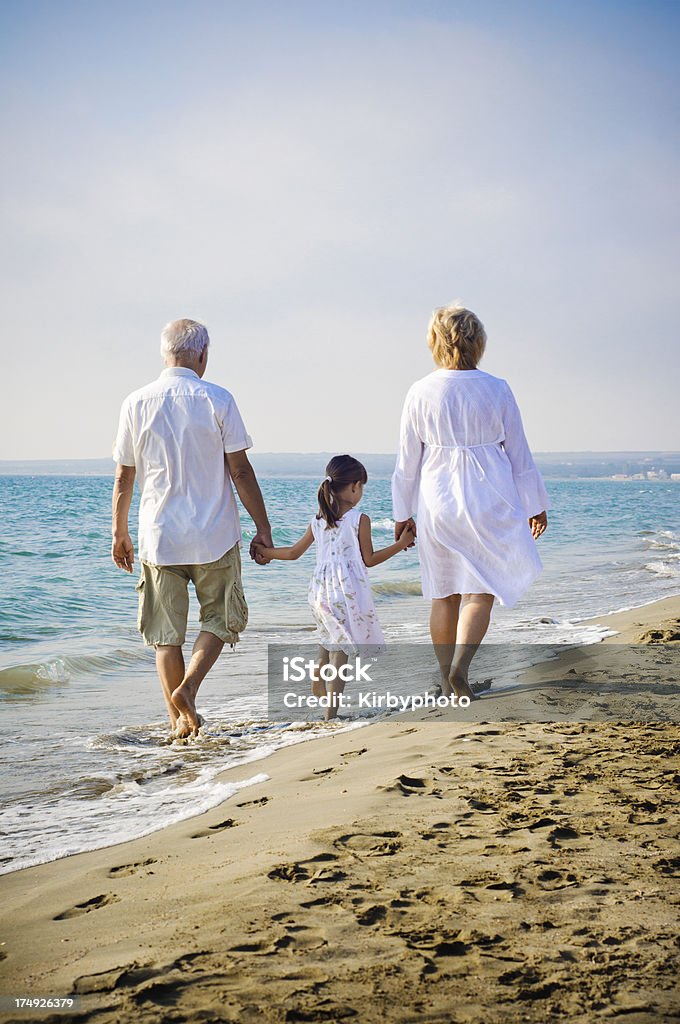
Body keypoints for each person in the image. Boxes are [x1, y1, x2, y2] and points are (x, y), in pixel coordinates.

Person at [111, 318, 273, 739]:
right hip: (214, 535)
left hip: (158, 536)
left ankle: (179, 724)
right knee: (221, 619)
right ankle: (189, 690)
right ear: (202, 354)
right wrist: (263, 527)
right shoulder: (217, 398)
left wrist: (119, 532)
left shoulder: (136, 401)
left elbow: (124, 476)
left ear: (165, 353)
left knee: (166, 636)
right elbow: (240, 470)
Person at [391, 303, 550, 702]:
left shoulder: (420, 390)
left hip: (437, 498)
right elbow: (519, 454)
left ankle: (447, 679)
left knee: (443, 592)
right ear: (478, 342)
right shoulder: (497, 388)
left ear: (435, 342)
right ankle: (462, 668)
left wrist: (401, 514)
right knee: (479, 591)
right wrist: (535, 504)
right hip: (490, 495)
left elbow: (406, 463)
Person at [253, 455, 415, 720]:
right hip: (345, 591)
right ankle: (330, 713)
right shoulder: (359, 519)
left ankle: (319, 675)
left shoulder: (318, 519)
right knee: (342, 650)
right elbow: (370, 560)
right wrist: (402, 543)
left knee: (330, 638)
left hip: (318, 592)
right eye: (361, 486)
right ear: (353, 487)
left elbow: (294, 553)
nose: (361, 492)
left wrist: (266, 552)